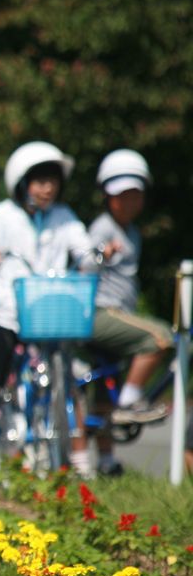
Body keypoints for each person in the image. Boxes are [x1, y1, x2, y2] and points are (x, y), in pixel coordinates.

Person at [0, 141, 99, 480]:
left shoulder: (64, 218)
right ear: (22, 183)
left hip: (51, 315)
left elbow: (85, 252)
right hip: (6, 314)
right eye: (39, 181)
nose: (47, 188)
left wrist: (95, 256)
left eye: (52, 181)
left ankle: (81, 462)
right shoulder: (0, 216)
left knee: (69, 382)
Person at [84, 150, 173, 474]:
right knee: (160, 337)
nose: (130, 201)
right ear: (108, 196)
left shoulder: (132, 232)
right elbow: (83, 262)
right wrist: (100, 254)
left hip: (116, 315)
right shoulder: (102, 228)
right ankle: (130, 402)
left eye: (135, 193)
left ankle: (106, 460)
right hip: (100, 312)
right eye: (122, 194)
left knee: (106, 384)